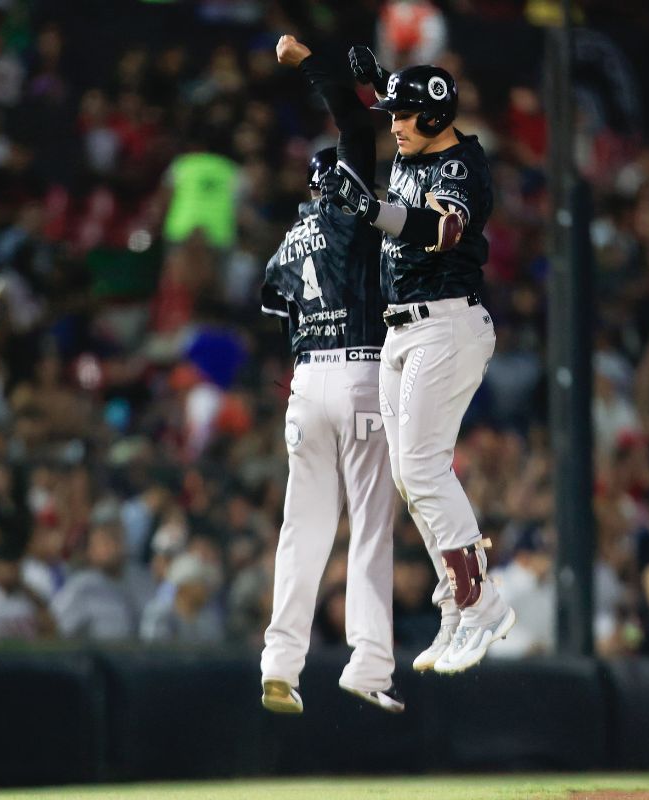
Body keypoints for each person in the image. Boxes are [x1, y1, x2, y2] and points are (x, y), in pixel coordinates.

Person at [324, 48, 514, 673]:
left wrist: (365, 208)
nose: (395, 125)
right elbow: (405, 107)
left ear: (436, 119)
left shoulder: (462, 166)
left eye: (405, 115)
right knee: (411, 479)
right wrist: (381, 82)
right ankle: (459, 609)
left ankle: (480, 602)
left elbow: (443, 232)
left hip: (446, 324)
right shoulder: (420, 141)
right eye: (392, 114)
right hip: (403, 331)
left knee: (424, 470)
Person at [257, 35, 401, 716]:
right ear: (335, 180)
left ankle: (279, 664)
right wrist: (309, 61)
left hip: (304, 384)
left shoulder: (286, 244)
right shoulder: (351, 213)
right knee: (371, 524)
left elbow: (279, 314)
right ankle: (368, 663)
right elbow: (353, 119)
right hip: (362, 372)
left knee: (301, 531)